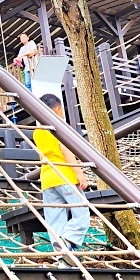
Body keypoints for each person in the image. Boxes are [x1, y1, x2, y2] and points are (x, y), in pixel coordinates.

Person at [33, 93, 90, 253]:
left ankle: (62, 254)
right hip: (64, 174)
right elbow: (65, 149)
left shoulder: (37, 131)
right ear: (57, 109)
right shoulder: (57, 126)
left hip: (47, 178)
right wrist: (79, 172)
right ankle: (68, 239)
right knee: (81, 212)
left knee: (55, 218)